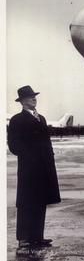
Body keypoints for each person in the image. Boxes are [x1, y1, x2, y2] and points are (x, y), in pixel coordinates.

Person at [7, 85, 61, 248]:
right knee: (26, 202)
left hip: (44, 167)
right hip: (28, 169)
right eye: (30, 97)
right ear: (22, 101)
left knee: (40, 201)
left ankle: (38, 237)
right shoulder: (17, 119)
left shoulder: (42, 118)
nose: (34, 98)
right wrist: (29, 156)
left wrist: (49, 160)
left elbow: (46, 142)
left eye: (34, 96)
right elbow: (13, 145)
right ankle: (24, 238)